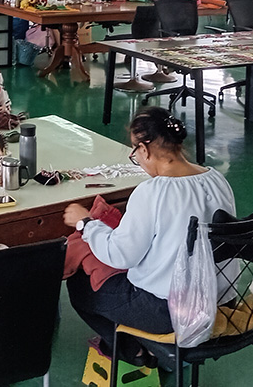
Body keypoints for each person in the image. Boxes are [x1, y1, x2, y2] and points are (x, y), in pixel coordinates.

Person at [63, 107, 236, 365]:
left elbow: (121, 255)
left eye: (135, 154)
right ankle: (150, 347)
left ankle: (134, 349)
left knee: (80, 287)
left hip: (171, 310)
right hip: (223, 301)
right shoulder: (217, 179)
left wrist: (85, 223)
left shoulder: (153, 192)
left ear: (144, 150)